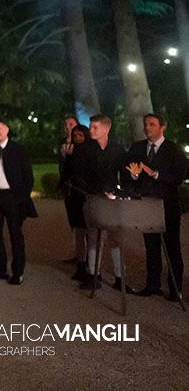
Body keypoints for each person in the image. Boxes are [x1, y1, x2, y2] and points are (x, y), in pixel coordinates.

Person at [125, 113, 187, 300]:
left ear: (162, 127)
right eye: (146, 124)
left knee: (172, 246)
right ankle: (152, 285)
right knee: (151, 246)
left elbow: (178, 177)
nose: (147, 127)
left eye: (152, 124)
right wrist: (135, 175)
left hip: (167, 205)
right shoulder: (137, 148)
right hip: (147, 204)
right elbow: (128, 174)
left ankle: (175, 289)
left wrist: (156, 174)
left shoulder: (173, 149)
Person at [0, 119, 36, 286]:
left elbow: (28, 177)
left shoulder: (18, 150)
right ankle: (0, 268)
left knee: (15, 235)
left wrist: (19, 198)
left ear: (7, 129)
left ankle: (18, 272)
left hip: (12, 197)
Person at [77, 114, 129, 291]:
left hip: (112, 198)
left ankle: (120, 277)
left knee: (115, 237)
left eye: (95, 127)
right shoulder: (85, 149)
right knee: (93, 237)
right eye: (91, 127)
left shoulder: (117, 150)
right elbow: (79, 175)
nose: (91, 130)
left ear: (106, 128)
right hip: (94, 196)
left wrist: (118, 192)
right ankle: (93, 274)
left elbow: (125, 174)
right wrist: (96, 189)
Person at [62, 123, 90, 281]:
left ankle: (89, 265)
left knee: (89, 233)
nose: (78, 138)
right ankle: (81, 264)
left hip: (85, 194)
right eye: (75, 136)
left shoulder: (89, 151)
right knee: (79, 231)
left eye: (80, 135)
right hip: (74, 195)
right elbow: (67, 172)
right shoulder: (72, 152)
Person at [57, 115, 83, 265]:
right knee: (72, 221)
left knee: (81, 222)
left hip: (77, 187)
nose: (68, 127)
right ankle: (77, 252)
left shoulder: (80, 143)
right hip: (67, 186)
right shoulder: (63, 143)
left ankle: (83, 255)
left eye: (71, 124)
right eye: (66, 124)